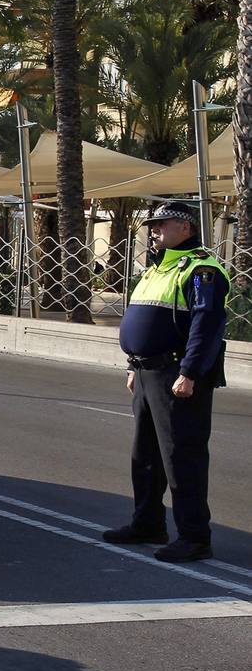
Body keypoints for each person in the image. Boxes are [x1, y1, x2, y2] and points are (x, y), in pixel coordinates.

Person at [106, 201, 230, 562]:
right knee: (144, 455)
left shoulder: (202, 269)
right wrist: (134, 364)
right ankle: (147, 522)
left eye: (163, 224)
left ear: (186, 228)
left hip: (176, 374)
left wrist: (189, 372)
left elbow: (206, 327)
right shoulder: (158, 268)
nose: (154, 229)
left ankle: (194, 536)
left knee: (181, 456)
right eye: (153, 224)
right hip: (146, 372)